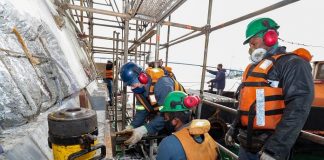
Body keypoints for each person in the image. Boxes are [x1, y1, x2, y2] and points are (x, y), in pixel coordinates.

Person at [224, 17, 314, 160]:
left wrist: (275, 149)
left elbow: (298, 109)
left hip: (269, 148)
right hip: (246, 145)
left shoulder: (293, 64)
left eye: (253, 42)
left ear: (270, 37)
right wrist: (233, 128)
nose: (251, 48)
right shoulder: (252, 68)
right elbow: (244, 104)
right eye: (250, 45)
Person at [117, 62, 186, 145]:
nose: (132, 88)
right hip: (163, 115)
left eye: (132, 84)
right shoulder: (139, 89)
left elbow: (167, 114)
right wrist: (132, 126)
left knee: (175, 143)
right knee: (162, 141)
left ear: (142, 77)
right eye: (129, 85)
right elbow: (141, 111)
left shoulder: (163, 85)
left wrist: (144, 129)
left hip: (178, 116)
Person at [156, 91, 218, 160]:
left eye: (166, 118)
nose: (165, 120)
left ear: (175, 121)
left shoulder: (167, 144)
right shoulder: (206, 135)